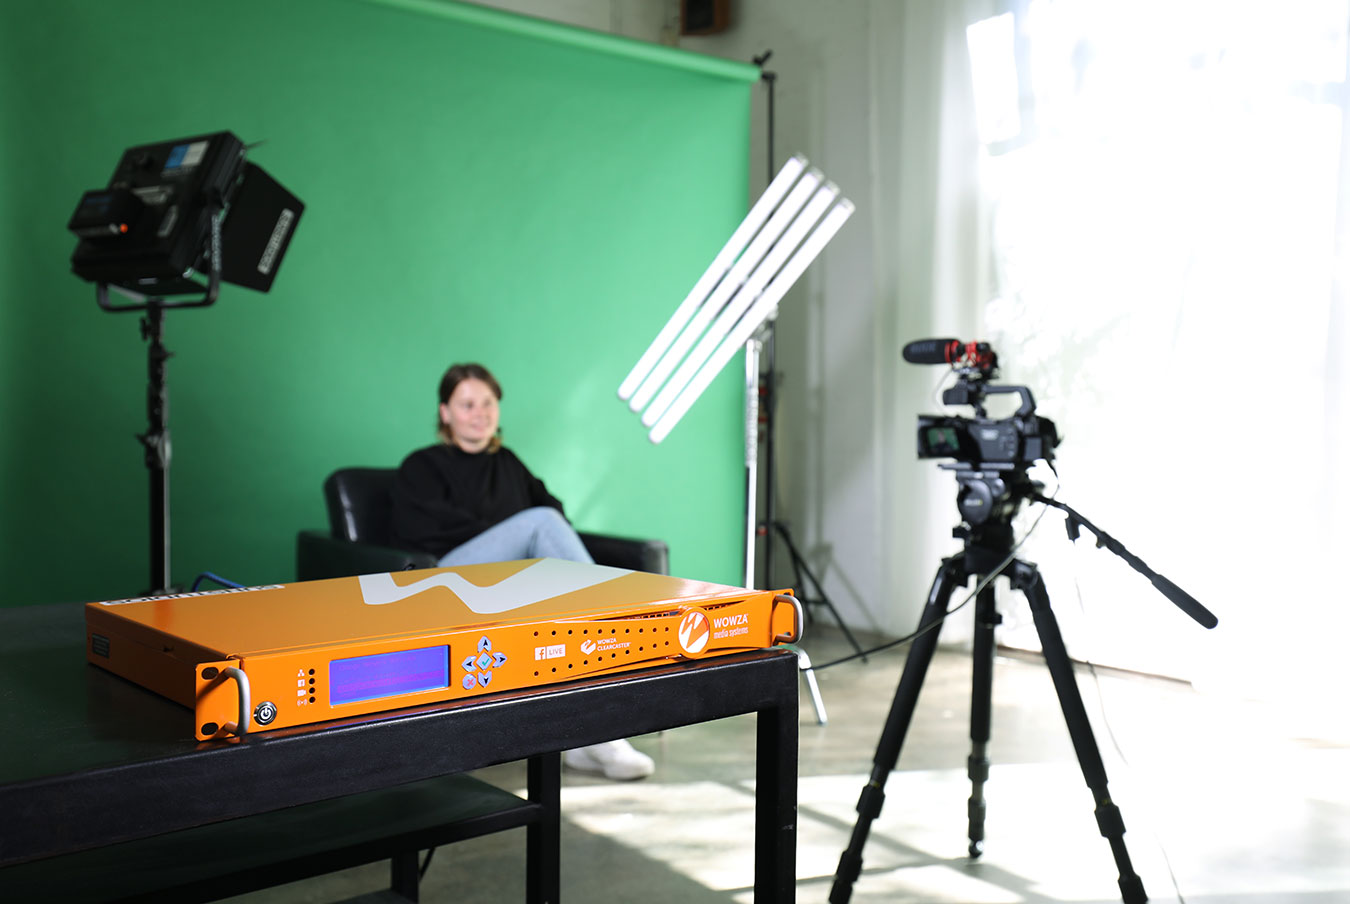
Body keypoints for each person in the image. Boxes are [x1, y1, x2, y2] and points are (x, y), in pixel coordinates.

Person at [390, 362, 655, 781]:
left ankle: (585, 740)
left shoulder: (508, 463)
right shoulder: (422, 465)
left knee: (552, 555)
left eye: (488, 402)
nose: (480, 412)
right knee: (540, 526)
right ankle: (618, 637)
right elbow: (420, 528)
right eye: (467, 404)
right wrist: (513, 535)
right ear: (445, 412)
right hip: (449, 579)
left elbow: (554, 510)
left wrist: (522, 539)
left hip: (512, 579)